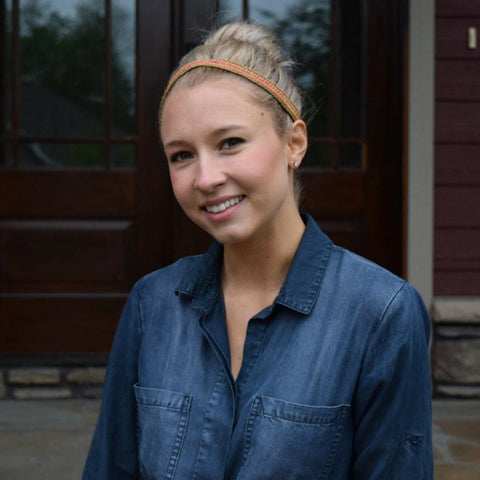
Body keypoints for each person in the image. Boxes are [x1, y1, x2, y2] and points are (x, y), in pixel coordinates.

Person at [83, 22, 433, 479]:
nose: (205, 178)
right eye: (181, 155)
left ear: (295, 143)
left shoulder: (381, 314)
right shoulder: (153, 304)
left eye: (230, 143)